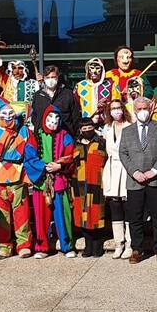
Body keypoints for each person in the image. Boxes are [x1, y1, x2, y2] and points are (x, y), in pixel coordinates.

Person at [0, 104, 43, 259]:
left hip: (18, 176)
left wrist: (29, 175)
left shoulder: (25, 131)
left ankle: (24, 245)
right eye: (4, 113)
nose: (8, 116)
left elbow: (31, 154)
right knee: (2, 215)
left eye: (11, 113)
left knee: (22, 213)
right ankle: (4, 246)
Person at [118, 96, 157, 264]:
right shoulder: (127, 131)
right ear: (134, 111)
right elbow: (123, 153)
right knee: (135, 217)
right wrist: (134, 172)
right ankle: (137, 249)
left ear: (151, 109)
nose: (142, 112)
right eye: (139, 109)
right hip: (135, 181)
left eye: (145, 108)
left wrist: (154, 171)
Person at [30, 105, 77, 258]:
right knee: (40, 216)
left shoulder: (65, 135)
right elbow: (29, 157)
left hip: (59, 181)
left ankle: (67, 246)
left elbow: (71, 155)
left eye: (56, 118)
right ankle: (41, 247)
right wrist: (43, 166)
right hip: (41, 182)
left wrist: (60, 165)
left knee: (63, 215)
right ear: (44, 119)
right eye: (50, 118)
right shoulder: (35, 136)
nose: (53, 122)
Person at [73, 113, 108, 257]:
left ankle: (97, 246)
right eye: (84, 128)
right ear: (80, 130)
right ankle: (88, 246)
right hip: (79, 184)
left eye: (89, 127)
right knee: (83, 216)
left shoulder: (101, 142)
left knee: (97, 215)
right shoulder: (76, 145)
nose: (87, 129)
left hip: (97, 183)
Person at [102, 98, 132, 258]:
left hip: (126, 168)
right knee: (115, 206)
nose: (116, 111)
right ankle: (118, 242)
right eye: (113, 108)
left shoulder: (130, 126)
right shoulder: (107, 127)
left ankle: (129, 243)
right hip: (112, 168)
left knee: (128, 206)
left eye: (118, 107)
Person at [30, 65, 81, 136]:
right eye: (47, 77)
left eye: (53, 77)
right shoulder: (38, 95)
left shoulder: (67, 94)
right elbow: (34, 117)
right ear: (44, 79)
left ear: (58, 77)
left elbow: (75, 116)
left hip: (64, 136)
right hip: (43, 137)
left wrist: (71, 132)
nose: (50, 80)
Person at [75, 57, 112, 123]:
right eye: (91, 68)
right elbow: (75, 107)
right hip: (87, 124)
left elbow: (117, 103)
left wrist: (107, 105)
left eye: (97, 68)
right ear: (87, 69)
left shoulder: (111, 84)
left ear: (102, 69)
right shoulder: (80, 86)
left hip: (106, 123)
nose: (94, 71)